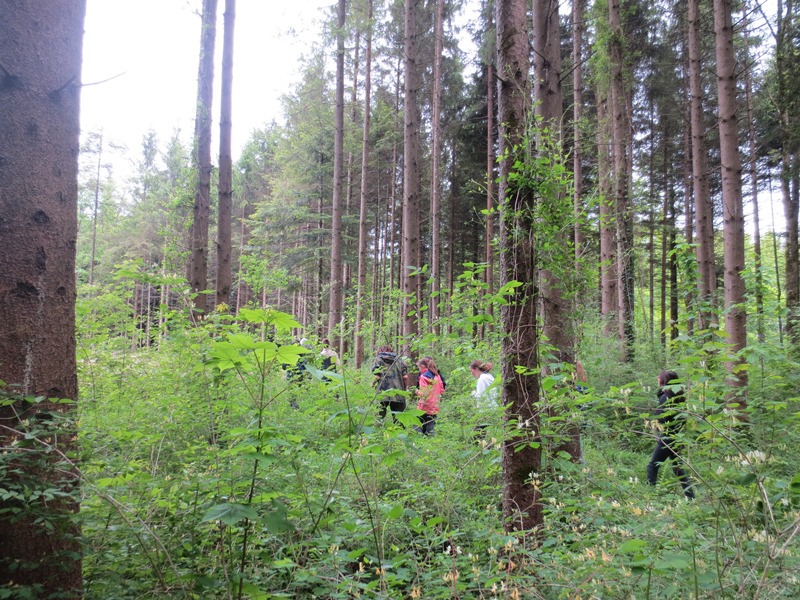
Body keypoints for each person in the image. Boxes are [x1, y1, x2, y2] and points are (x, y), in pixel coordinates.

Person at [646, 370, 694, 499]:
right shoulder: (679, 397)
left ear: (664, 381)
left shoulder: (665, 397)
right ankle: (691, 497)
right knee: (677, 468)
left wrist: (654, 422)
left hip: (667, 436)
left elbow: (661, 418)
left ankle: (651, 497)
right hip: (676, 436)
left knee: (652, 466)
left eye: (659, 377)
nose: (657, 378)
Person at [372, 345, 408, 421]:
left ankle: (378, 428)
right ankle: (399, 429)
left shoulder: (378, 359)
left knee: (379, 418)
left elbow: (376, 376)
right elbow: (405, 377)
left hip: (382, 394)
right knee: (399, 420)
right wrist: (403, 389)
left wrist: (372, 385)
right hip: (398, 393)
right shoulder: (399, 359)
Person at [416, 357, 445, 436]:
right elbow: (442, 390)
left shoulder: (423, 377)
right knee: (430, 424)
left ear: (422, 366)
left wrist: (417, 392)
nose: (419, 370)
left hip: (424, 405)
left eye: (419, 367)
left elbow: (424, 393)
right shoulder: (437, 376)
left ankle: (420, 438)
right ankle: (430, 440)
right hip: (435, 404)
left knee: (416, 423)